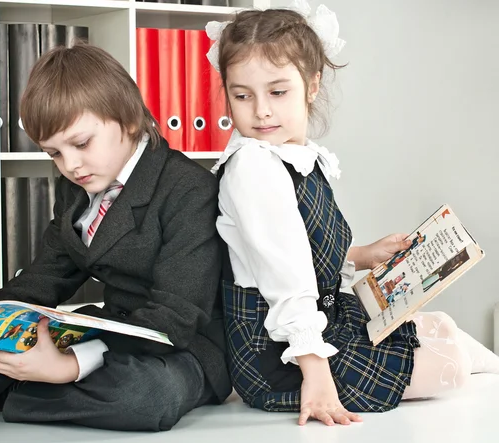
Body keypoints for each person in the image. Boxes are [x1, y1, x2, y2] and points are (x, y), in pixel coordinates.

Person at [0, 43, 231, 431]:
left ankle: (15, 395)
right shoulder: (77, 189)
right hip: (108, 332)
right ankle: (35, 392)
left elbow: (174, 318)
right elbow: (43, 279)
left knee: (145, 396)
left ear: (128, 119)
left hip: (179, 346)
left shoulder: (189, 189)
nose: (70, 166)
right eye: (53, 154)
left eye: (80, 144)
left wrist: (69, 366)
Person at [207, 0, 499, 427]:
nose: (261, 110)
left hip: (322, 323)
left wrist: (360, 255)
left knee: (442, 327)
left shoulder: (294, 157)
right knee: (452, 360)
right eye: (242, 95)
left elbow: (296, 249)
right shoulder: (253, 167)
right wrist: (317, 375)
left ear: (312, 84)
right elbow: (284, 280)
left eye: (277, 91)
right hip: (280, 356)